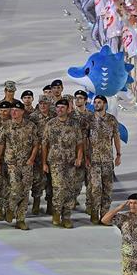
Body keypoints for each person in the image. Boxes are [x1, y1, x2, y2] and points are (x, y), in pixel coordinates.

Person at [0, 101, 38, 230]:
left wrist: (32, 158)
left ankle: (20, 219)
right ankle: (10, 208)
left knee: (25, 191)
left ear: (22, 112)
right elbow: (0, 144)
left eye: (16, 110)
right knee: (15, 188)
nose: (13, 112)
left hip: (26, 163)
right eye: (12, 110)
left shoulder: (30, 126)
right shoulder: (6, 126)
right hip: (11, 163)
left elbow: (36, 144)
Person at [42, 98, 84, 228]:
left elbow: (80, 143)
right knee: (59, 188)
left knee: (70, 189)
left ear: (68, 109)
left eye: (62, 108)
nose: (59, 110)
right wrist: (44, 163)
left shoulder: (74, 124)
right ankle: (56, 212)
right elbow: (44, 144)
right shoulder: (50, 124)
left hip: (71, 162)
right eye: (58, 107)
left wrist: (79, 158)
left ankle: (66, 216)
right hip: (55, 162)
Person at [87, 94, 121, 224]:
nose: (96, 104)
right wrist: (86, 157)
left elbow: (116, 138)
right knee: (95, 188)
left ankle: (105, 214)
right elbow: (85, 140)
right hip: (94, 160)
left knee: (107, 189)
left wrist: (119, 155)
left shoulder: (111, 120)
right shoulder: (89, 120)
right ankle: (94, 213)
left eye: (99, 102)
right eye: (95, 102)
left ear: (104, 104)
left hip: (107, 160)